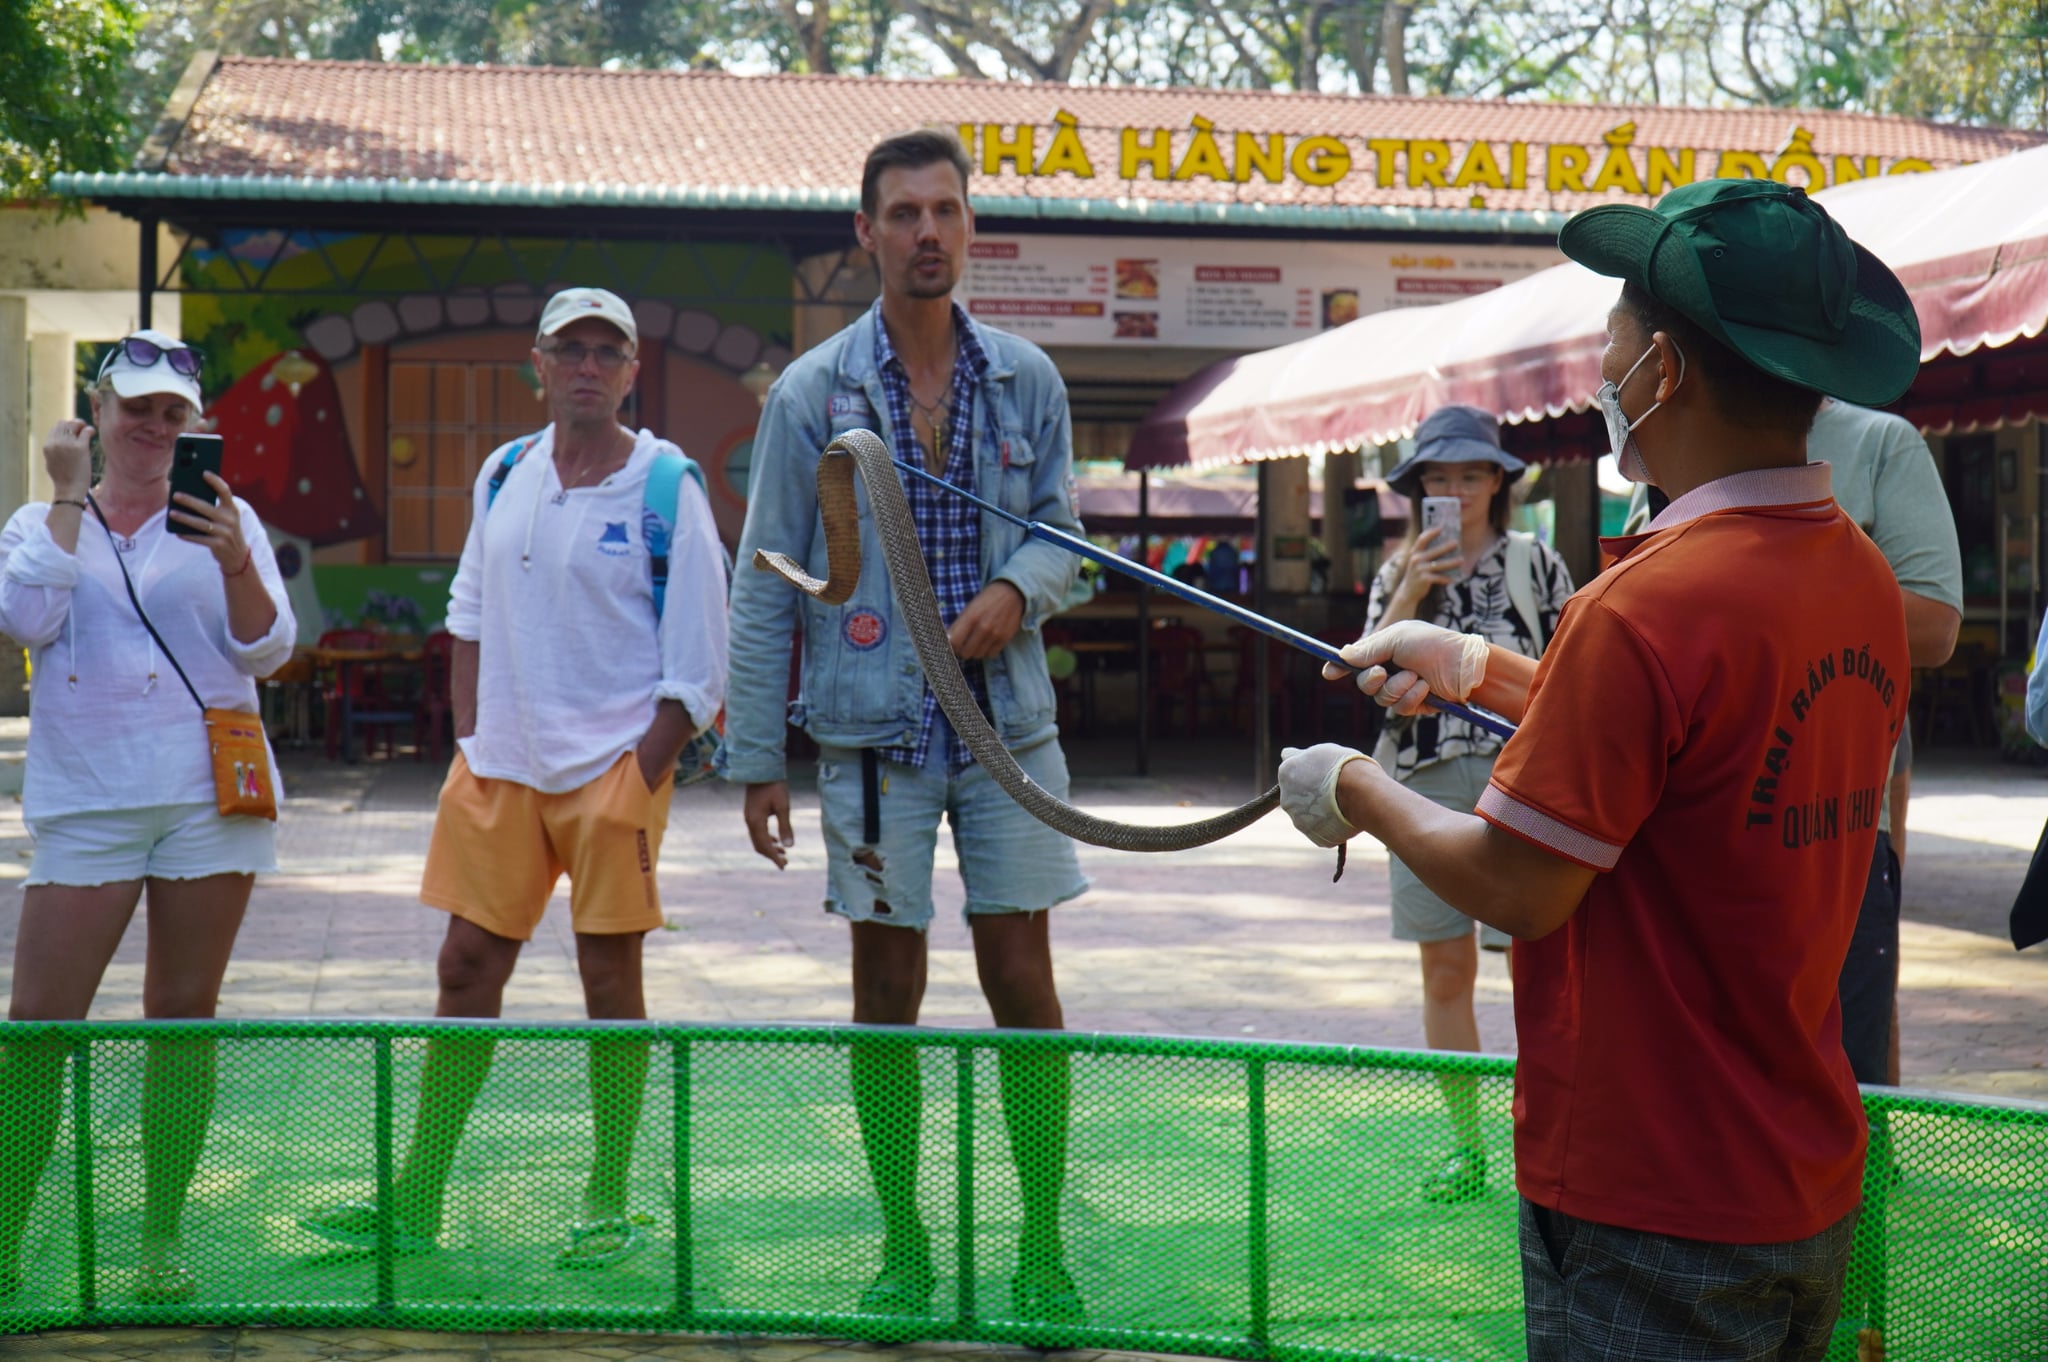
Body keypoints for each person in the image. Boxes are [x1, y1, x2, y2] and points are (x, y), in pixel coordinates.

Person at [1278, 179, 1919, 1361]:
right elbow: (1696, 754)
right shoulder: (1861, 580)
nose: (1599, 366)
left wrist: (1351, 788)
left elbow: (1519, 886)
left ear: (1662, 371)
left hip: (1648, 1196)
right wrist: (1474, 664)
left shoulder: (1647, 604)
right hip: (1805, 1172)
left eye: (1611, 337)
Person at [726, 129, 1089, 1324]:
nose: (925, 232)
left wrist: (1015, 590)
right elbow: (765, 572)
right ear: (865, 233)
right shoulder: (811, 391)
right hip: (870, 739)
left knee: (1021, 978)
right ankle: (903, 1249)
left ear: (970, 227)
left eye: (944, 210)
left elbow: (1063, 537)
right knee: (884, 987)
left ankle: (1041, 1249)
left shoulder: (1025, 377)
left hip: (1006, 733)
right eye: (902, 213)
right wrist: (755, 757)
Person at [302, 287, 728, 1269]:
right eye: (567, 350)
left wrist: (641, 774)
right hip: (501, 768)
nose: (586, 367)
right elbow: (469, 611)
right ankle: (415, 1197)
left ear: (631, 372)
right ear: (535, 365)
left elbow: (698, 661)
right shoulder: (503, 473)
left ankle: (608, 1201)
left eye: (604, 353)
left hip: (613, 769)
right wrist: (472, 736)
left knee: (608, 977)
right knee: (463, 969)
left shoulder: (668, 484)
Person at [0, 331, 296, 1301]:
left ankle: (159, 1240)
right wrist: (64, 492)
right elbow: (28, 623)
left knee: (181, 1019)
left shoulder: (223, 513)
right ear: (99, 408)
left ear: (195, 422)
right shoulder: (44, 519)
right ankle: (5, 1244)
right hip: (88, 797)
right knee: (40, 1027)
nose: (156, 426)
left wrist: (237, 557)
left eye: (175, 411)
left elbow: (268, 653)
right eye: (138, 407)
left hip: (209, 797)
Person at [1626, 402, 1961, 1088]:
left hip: (1836, 807)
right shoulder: (1672, 443)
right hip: (1690, 811)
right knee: (1718, 1062)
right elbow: (1631, 607)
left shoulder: (1877, 443)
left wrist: (1779, 594)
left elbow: (1934, 627)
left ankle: (1862, 1186)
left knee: (1845, 1049)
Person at [1368, 406, 1573, 1203]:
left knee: (1538, 961)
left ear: (1498, 481)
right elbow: (1363, 676)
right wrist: (1415, 584)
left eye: (1469, 475)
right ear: (1419, 489)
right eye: (1438, 478)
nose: (1454, 489)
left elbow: (1570, 675)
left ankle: (1545, 1134)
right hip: (1420, 779)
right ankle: (1465, 1147)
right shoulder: (1398, 570)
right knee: (1444, 969)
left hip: (1517, 774)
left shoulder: (1536, 562)